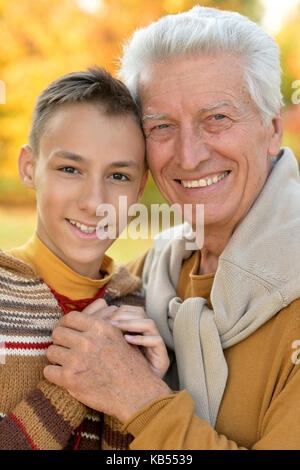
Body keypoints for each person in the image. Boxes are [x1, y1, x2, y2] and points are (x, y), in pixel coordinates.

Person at [44, 6, 300, 449]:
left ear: (272, 128)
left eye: (217, 118)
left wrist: (140, 400)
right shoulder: (146, 275)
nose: (188, 155)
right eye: (161, 126)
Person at [0, 66, 170, 450]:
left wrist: (144, 393)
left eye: (119, 176)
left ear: (141, 187)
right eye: (70, 169)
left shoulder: (136, 307)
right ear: (30, 168)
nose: (94, 202)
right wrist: (70, 384)